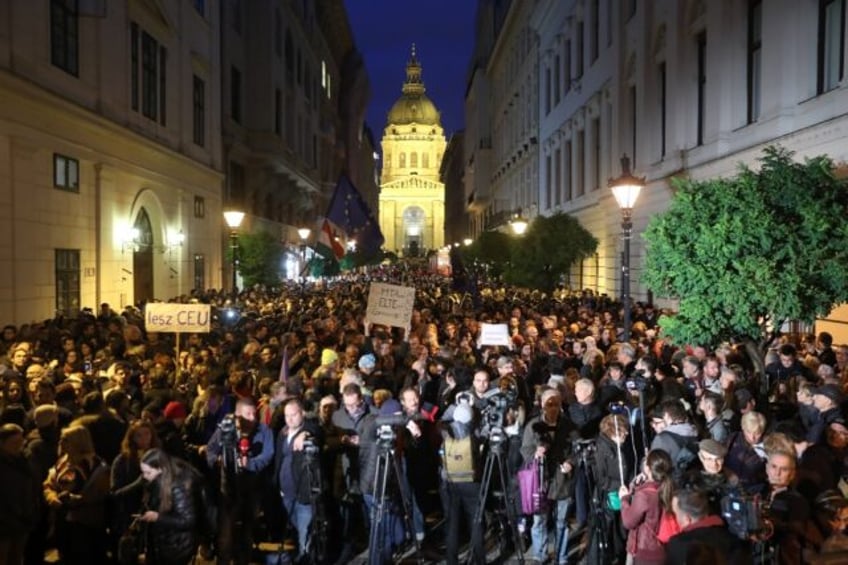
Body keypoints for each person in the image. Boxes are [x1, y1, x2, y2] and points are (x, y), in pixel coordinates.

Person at [205, 396, 274, 565]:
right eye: (247, 414)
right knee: (225, 533)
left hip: (252, 489)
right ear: (237, 415)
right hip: (227, 489)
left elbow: (268, 455)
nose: (252, 418)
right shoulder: (225, 429)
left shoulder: (265, 431)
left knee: (247, 530)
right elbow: (211, 450)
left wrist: (250, 464)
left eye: (254, 414)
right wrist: (218, 460)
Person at [520, 388, 575, 565]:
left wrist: (571, 462)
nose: (552, 407)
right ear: (542, 404)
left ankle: (562, 556)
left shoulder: (568, 425)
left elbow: (577, 449)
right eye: (549, 403)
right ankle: (540, 554)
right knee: (539, 521)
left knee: (562, 522)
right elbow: (525, 449)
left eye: (556, 403)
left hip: (562, 480)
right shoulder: (532, 425)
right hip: (540, 480)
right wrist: (535, 454)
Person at [43, 425, 110, 564]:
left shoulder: (97, 466)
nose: (60, 443)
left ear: (78, 442)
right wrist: (52, 498)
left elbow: (101, 492)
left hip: (86, 524)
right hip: (62, 521)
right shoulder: (62, 461)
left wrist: (78, 500)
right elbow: (49, 484)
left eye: (65, 440)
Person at [274, 398, 323, 563]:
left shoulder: (309, 429)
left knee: (305, 534)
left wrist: (305, 433)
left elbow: (317, 431)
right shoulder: (283, 433)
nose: (289, 419)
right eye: (286, 416)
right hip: (286, 494)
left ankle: (307, 559)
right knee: (296, 529)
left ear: (302, 414)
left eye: (293, 415)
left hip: (303, 495)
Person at [137, 448, 199, 565]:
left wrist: (158, 518)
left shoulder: (178, 487)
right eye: (143, 472)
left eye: (148, 472)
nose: (144, 476)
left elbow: (188, 521)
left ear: (160, 469)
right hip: (165, 543)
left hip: (177, 547)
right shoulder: (157, 482)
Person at [619, 449, 673, 565]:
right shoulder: (669, 486)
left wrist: (624, 499)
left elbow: (628, 522)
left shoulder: (644, 495)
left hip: (646, 551)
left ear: (648, 469)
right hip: (664, 547)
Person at [664, 487, 745, 564]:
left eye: (675, 514)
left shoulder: (677, 545)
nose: (675, 518)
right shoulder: (734, 538)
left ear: (687, 519)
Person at [0, 423, 38, 565]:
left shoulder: (25, 460)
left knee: (16, 558)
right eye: (14, 442)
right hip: (4, 523)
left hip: (23, 520)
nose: (19, 445)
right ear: (2, 443)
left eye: (20, 441)